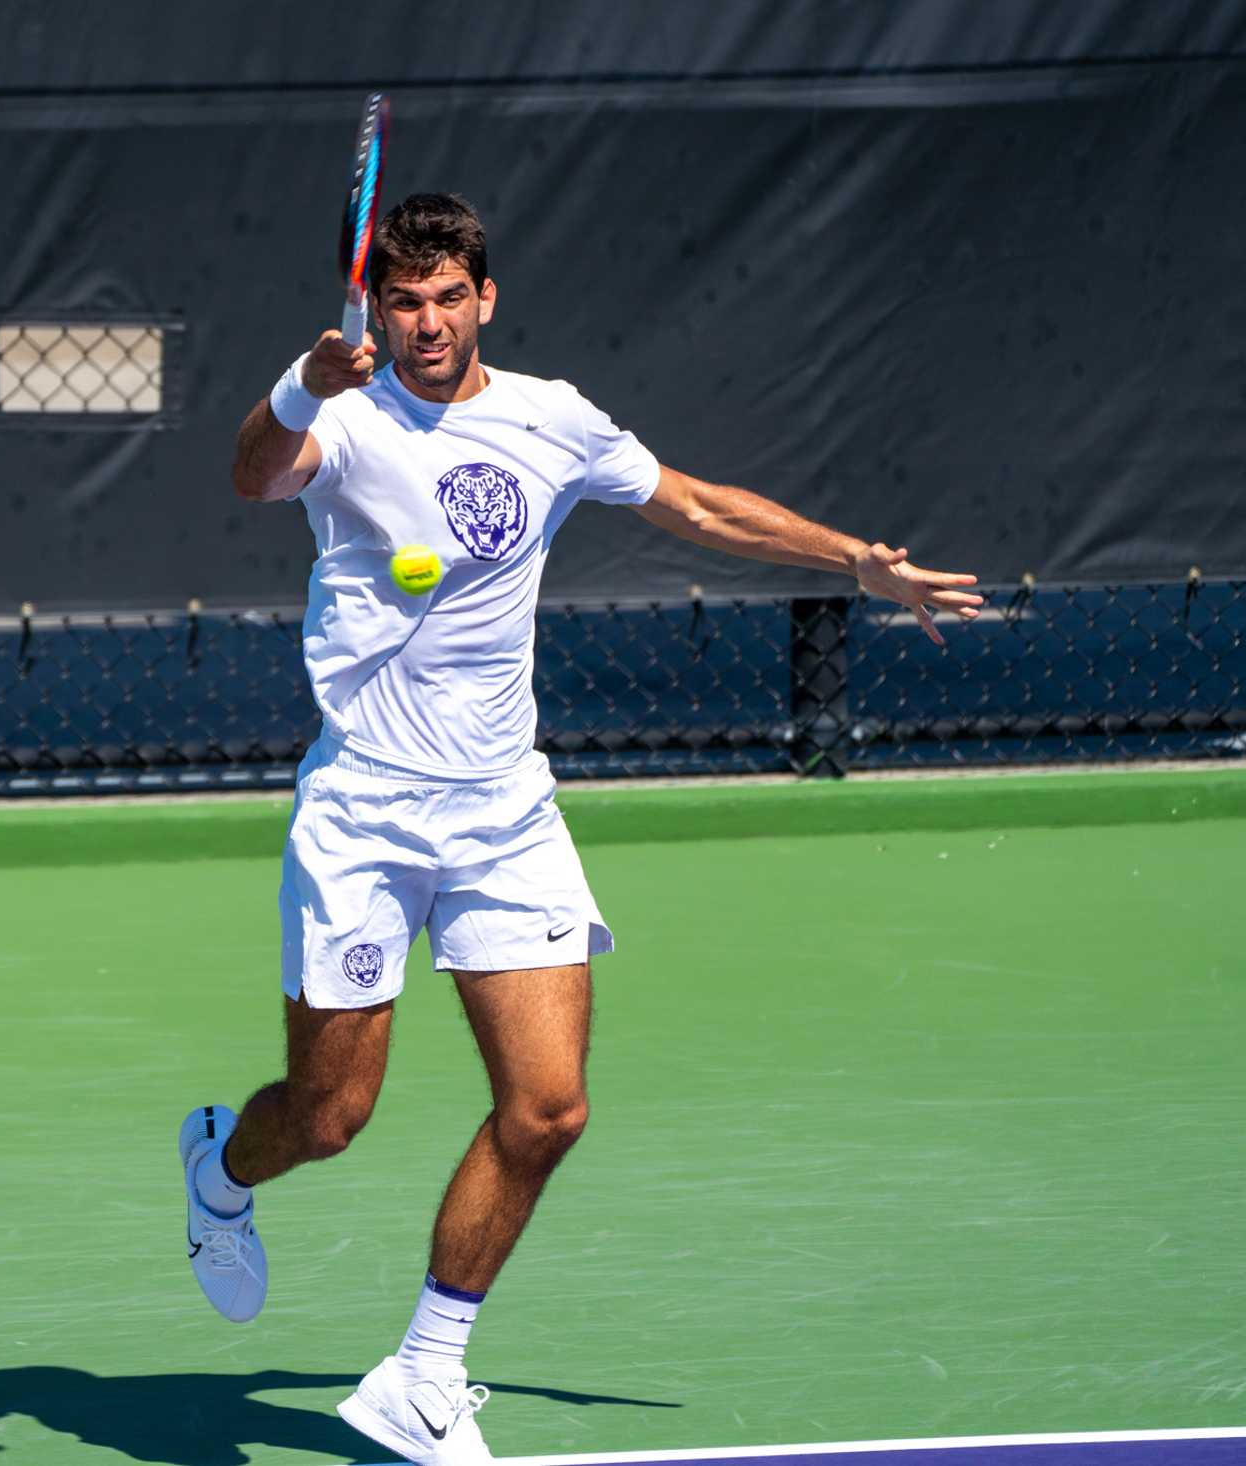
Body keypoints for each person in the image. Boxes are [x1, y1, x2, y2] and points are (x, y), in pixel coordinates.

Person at [180, 193, 983, 1465]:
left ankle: (423, 1371)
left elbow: (701, 508)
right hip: (364, 815)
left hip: (505, 812)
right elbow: (250, 475)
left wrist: (857, 562)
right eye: (405, 302)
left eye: (450, 298)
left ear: (485, 298)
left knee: (547, 1108)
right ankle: (222, 1166)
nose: (428, 322)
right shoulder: (339, 409)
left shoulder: (552, 418)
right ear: (375, 311)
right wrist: (295, 385)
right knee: (330, 1115)